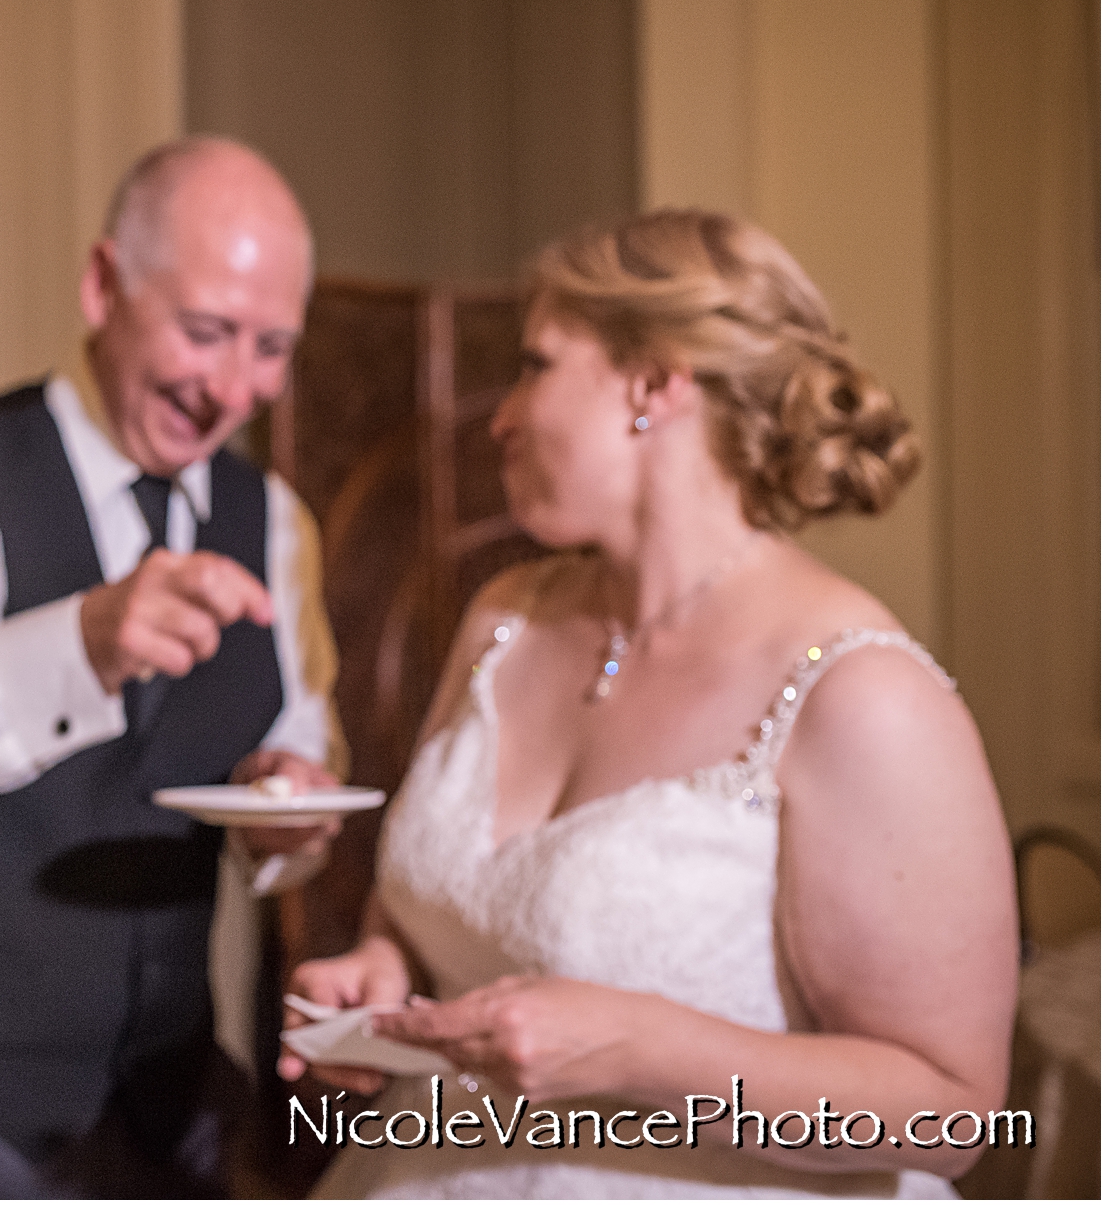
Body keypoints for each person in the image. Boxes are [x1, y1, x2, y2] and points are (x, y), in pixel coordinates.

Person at [283, 209, 1016, 1198]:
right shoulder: (501, 616)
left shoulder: (858, 692)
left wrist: (640, 1049)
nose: (497, 414)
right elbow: (429, 909)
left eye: (536, 364)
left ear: (655, 381)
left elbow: (948, 1110)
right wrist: (379, 968)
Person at [0, 136, 347, 1197]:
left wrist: (289, 810)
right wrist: (75, 646)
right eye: (204, 331)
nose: (232, 388)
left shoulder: (272, 521)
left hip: (175, 1115)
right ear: (101, 285)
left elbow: (296, 745)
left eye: (271, 346)